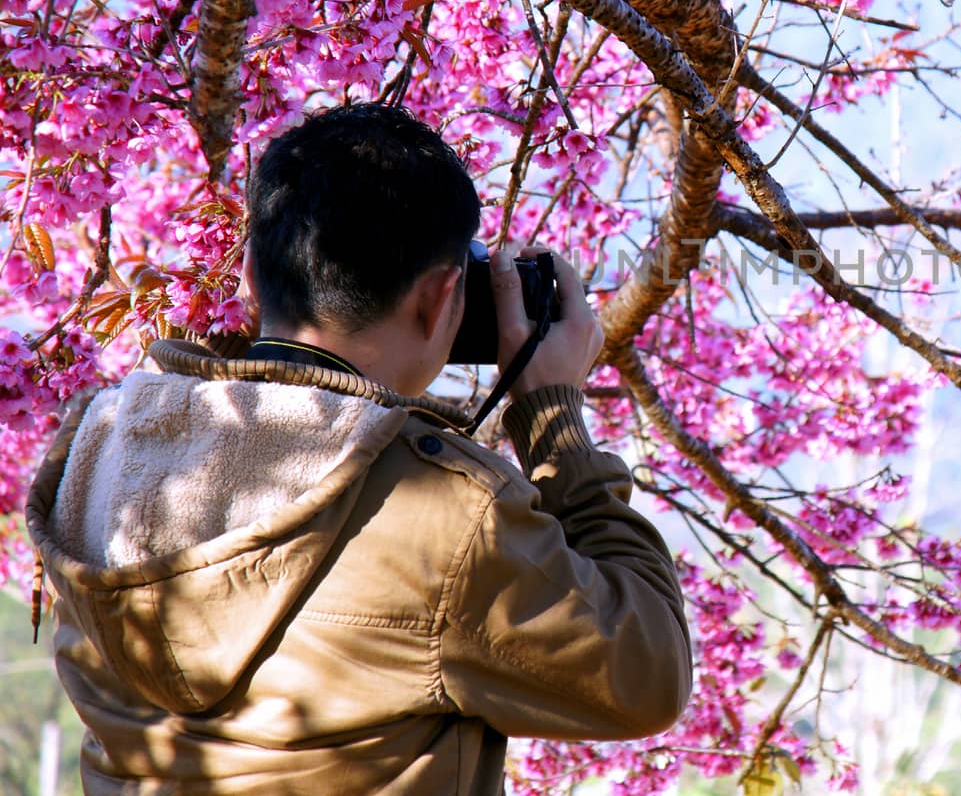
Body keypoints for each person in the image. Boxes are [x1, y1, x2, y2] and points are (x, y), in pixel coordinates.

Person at [25, 102, 693, 793]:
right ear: (440, 298)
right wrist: (553, 422)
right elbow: (648, 671)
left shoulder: (102, 442)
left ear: (251, 274)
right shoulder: (444, 513)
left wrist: (241, 362)